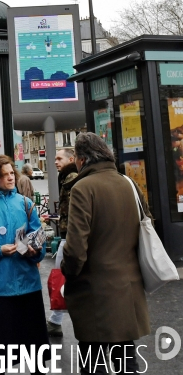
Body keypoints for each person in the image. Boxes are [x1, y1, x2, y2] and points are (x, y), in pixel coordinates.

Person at [61, 133, 151, 374]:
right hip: (128, 289)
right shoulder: (128, 183)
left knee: (94, 363)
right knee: (126, 361)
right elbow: (147, 225)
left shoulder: (83, 188)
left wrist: (67, 273)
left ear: (81, 160)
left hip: (94, 293)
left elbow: (76, 248)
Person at [0, 155, 50, 373]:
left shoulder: (25, 203)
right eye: (5, 175)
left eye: (12, 173)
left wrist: (35, 251)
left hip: (28, 285)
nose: (10, 178)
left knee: (35, 351)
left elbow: (38, 235)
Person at [47, 148, 78, 337]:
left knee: (61, 277)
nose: (56, 162)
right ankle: (55, 319)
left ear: (71, 159)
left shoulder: (72, 178)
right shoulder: (66, 177)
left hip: (70, 238)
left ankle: (56, 320)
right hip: (67, 235)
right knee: (61, 278)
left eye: (59, 158)